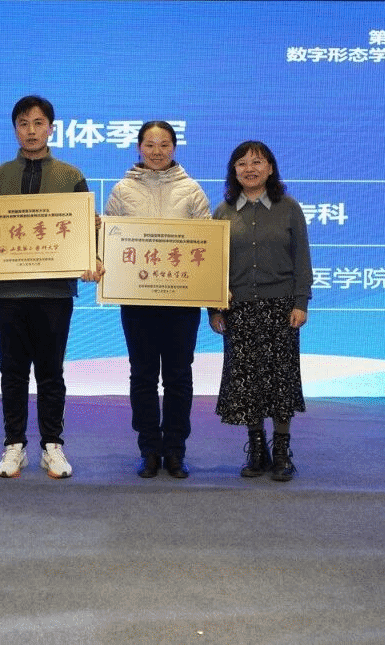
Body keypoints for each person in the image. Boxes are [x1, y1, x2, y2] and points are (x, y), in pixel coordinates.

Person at [0, 95, 99, 480]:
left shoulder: (70, 175)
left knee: (51, 373)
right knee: (13, 373)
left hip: (55, 294)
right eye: (23, 124)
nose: (31, 131)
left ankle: (52, 445)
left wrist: (94, 259)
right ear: (15, 129)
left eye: (38, 123)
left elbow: (87, 232)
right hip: (10, 294)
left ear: (51, 128)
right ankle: (14, 445)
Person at [104, 121, 210, 479]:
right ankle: (149, 449)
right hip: (138, 302)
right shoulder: (122, 191)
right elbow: (109, 243)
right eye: (149, 144)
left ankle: (176, 450)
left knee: (179, 377)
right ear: (138, 148)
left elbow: (207, 246)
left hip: (182, 302)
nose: (157, 151)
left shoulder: (192, 190)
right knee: (143, 376)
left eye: (164, 144)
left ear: (174, 148)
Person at [208, 141, 311, 482]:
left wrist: (301, 302)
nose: (249, 169)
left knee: (281, 382)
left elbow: (302, 259)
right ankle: (256, 448)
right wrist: (214, 309)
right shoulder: (223, 212)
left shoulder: (289, 208)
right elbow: (213, 266)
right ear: (233, 171)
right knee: (247, 383)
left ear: (270, 168)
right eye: (242, 163)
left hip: (280, 308)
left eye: (257, 162)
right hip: (238, 310)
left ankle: (281, 451)